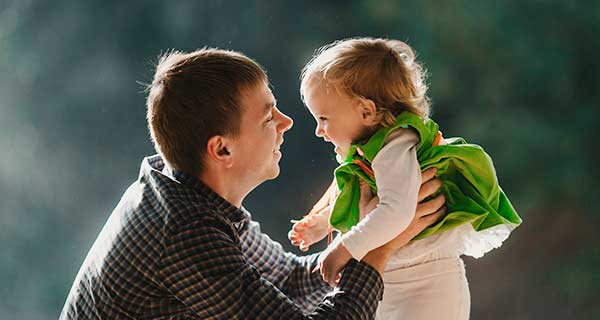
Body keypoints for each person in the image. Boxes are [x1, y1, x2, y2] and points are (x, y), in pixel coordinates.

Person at [59, 48, 447, 319]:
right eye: (267, 118)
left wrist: (356, 239)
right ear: (221, 150)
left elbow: (290, 281)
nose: (286, 123)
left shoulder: (182, 189)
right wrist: (381, 248)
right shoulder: (185, 232)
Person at [288, 37, 522, 320]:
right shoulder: (370, 151)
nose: (318, 130)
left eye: (323, 119)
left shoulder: (396, 146)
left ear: (366, 111)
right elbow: (355, 195)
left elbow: (396, 212)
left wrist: (343, 248)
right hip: (392, 280)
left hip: (425, 286)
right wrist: (320, 225)